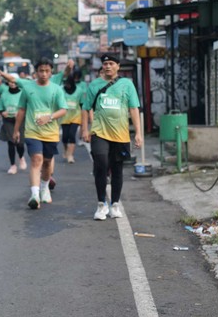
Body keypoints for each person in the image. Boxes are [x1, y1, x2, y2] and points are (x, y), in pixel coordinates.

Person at [81, 54, 143, 221]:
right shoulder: (94, 85)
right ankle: (101, 204)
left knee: (117, 169)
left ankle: (114, 204)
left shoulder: (127, 84)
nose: (108, 66)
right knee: (101, 164)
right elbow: (85, 108)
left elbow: (134, 109)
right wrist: (85, 129)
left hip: (120, 134)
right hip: (99, 132)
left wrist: (138, 133)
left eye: (111, 63)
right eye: (105, 64)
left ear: (118, 66)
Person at [12, 57, 67, 209]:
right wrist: (16, 130)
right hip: (32, 131)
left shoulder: (56, 89)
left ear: (51, 72)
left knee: (47, 162)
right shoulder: (28, 88)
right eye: (41, 71)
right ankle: (34, 195)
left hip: (51, 133)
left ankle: (44, 187)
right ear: (36, 72)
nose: (43, 74)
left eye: (47, 71)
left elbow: (63, 109)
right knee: (37, 160)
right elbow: (21, 110)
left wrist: (49, 117)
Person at [0, 78, 27, 174]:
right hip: (8, 121)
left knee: (20, 143)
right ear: (7, 83)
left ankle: (21, 157)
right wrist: (2, 112)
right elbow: (0, 107)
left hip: (20, 121)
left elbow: (28, 106)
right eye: (10, 82)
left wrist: (21, 113)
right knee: (11, 142)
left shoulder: (23, 93)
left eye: (14, 82)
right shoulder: (4, 94)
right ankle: (13, 165)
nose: (12, 84)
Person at [60, 74, 85, 163]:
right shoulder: (61, 90)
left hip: (76, 116)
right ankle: (66, 150)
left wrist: (84, 118)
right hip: (64, 117)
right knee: (65, 137)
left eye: (68, 83)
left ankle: (70, 155)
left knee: (71, 135)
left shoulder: (79, 91)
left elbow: (82, 104)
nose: (67, 85)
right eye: (65, 83)